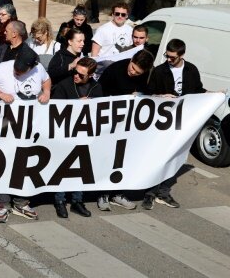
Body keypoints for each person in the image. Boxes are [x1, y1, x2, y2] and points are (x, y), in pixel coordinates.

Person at [0, 46, 50, 223]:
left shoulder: (38, 68)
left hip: (28, 128)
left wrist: (46, 92)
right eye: (16, 69)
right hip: (6, 127)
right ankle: (2, 203)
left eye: (21, 71)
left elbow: (47, 80)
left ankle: (21, 202)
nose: (17, 72)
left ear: (31, 67)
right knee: (4, 163)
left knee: (24, 163)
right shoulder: (2, 68)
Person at [144, 39, 205, 209]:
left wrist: (214, 95)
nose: (169, 59)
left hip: (183, 122)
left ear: (182, 55)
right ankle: (149, 192)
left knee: (175, 157)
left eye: (172, 57)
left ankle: (163, 192)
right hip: (163, 122)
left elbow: (198, 90)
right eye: (167, 56)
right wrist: (161, 96)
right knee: (157, 157)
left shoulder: (191, 70)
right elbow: (149, 94)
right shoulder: (159, 71)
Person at [96, 49, 155, 211]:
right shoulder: (114, 70)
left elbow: (150, 92)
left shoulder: (147, 75)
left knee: (124, 160)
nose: (133, 72)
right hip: (110, 121)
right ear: (131, 60)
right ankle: (102, 193)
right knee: (109, 159)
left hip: (129, 124)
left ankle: (118, 193)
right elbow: (99, 93)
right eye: (132, 68)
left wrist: (141, 94)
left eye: (137, 72)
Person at [51, 57, 103, 218]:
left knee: (81, 169)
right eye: (75, 72)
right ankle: (60, 200)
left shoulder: (96, 88)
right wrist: (76, 103)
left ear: (91, 75)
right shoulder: (64, 85)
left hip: (84, 135)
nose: (76, 76)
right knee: (63, 168)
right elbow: (55, 109)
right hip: (65, 135)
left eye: (81, 75)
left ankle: (77, 201)